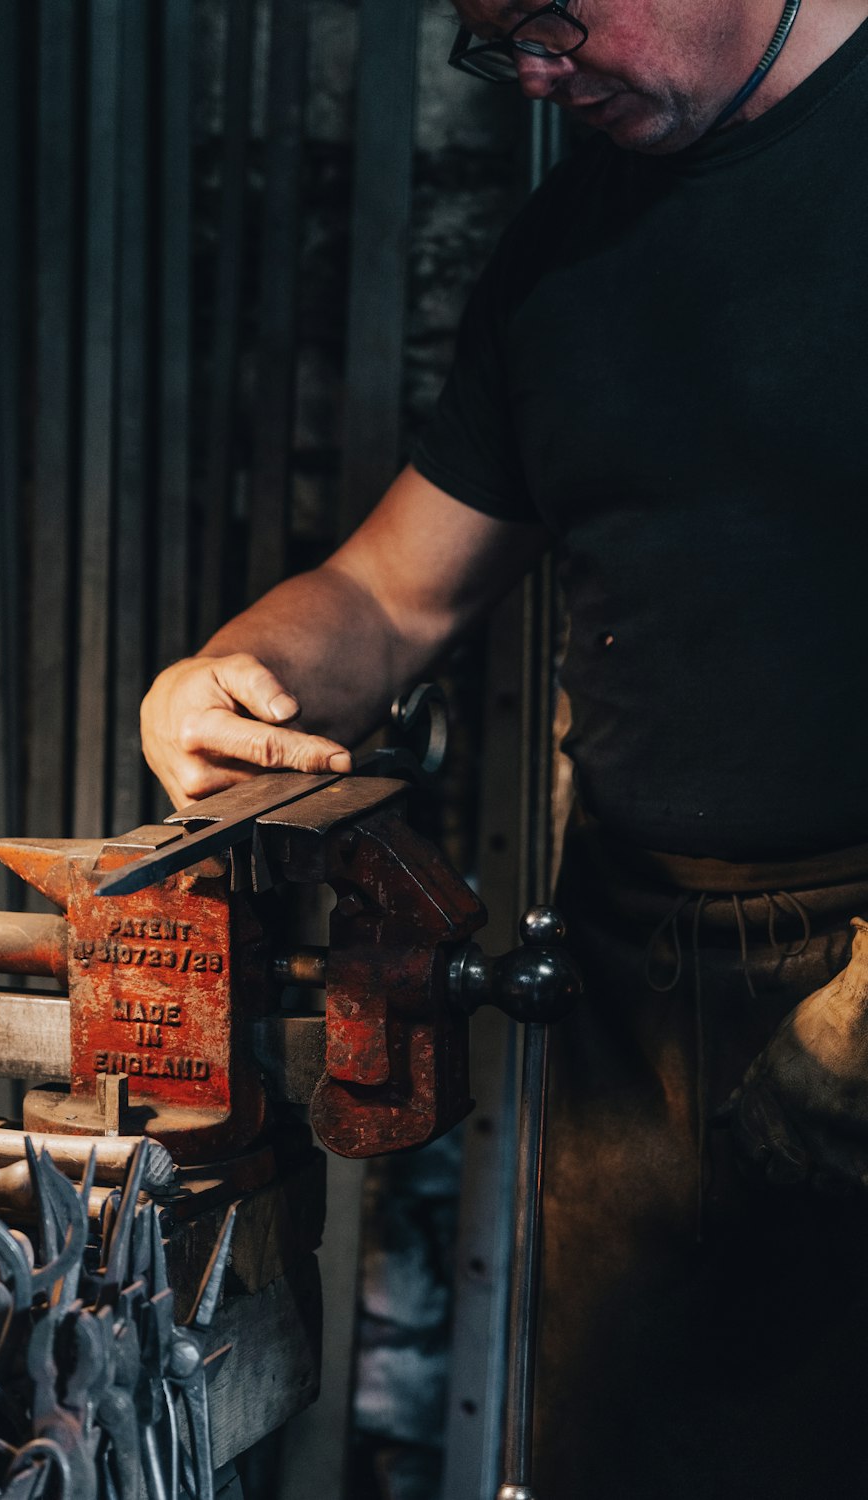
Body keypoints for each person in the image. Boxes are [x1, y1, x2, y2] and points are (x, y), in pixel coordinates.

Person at [141, 1, 868, 1494]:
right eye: (492, 42)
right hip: (631, 994)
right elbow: (389, 594)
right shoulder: (572, 241)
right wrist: (234, 675)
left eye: (548, 17)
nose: (531, 74)